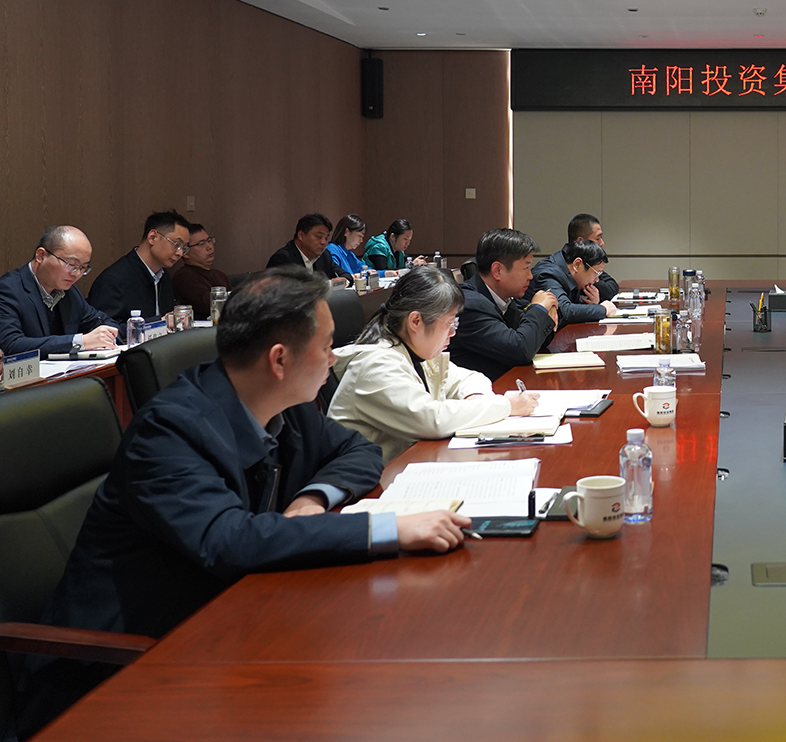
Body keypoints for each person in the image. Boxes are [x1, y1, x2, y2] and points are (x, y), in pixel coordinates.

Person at [15, 267, 469, 737]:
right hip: (116, 671)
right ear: (280, 359)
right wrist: (390, 528)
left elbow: (359, 451)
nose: (333, 358)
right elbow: (228, 540)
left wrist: (312, 499)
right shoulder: (169, 431)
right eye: (326, 345)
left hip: (231, 621)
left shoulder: (283, 404)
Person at [329, 267, 539, 460]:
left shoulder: (416, 349)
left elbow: (470, 377)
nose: (453, 332)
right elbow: (432, 419)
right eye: (450, 323)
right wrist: (505, 406)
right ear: (416, 321)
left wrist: (476, 398)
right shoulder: (376, 364)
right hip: (372, 481)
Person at [448, 229, 558, 380]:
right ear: (498, 271)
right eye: (526, 268)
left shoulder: (501, 297)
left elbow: (534, 339)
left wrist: (547, 310)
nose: (530, 276)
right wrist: (539, 309)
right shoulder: (470, 304)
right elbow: (520, 350)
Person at [0, 226, 117, 354]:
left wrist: (107, 334)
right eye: (71, 264)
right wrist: (79, 342)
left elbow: (101, 322)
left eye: (83, 267)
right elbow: (10, 344)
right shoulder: (8, 290)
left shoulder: (70, 292)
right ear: (41, 256)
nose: (76, 274)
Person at [87, 210, 192, 322]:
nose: (180, 253)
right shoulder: (113, 280)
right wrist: (160, 322)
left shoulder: (163, 276)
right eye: (176, 244)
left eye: (184, 248)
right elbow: (104, 328)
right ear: (152, 237)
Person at [527, 239, 618, 325]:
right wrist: (603, 309)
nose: (596, 280)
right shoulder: (547, 275)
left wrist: (591, 304)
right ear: (577, 265)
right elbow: (565, 311)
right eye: (596, 273)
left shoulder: (573, 274)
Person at [266, 213, 351, 283]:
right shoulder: (282, 259)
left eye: (326, 238)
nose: (323, 242)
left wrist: (343, 281)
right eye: (318, 237)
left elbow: (346, 276)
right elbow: (288, 291)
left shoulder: (325, 255)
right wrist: (327, 285)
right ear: (301, 235)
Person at [171, 223, 231, 320]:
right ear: (185, 252)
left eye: (209, 241)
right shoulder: (184, 277)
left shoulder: (220, 275)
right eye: (201, 244)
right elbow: (210, 305)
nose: (209, 247)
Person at [566, 213, 620, 302]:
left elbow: (612, 287)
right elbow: (565, 308)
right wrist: (599, 308)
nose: (602, 243)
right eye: (598, 238)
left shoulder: (590, 261)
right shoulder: (559, 267)